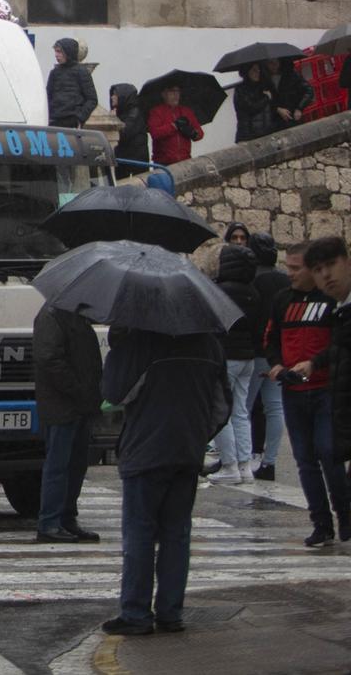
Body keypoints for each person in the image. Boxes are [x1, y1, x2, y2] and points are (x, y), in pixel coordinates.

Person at [101, 322, 231, 636]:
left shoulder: (140, 341)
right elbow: (222, 405)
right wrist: (198, 435)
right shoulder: (209, 344)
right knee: (177, 533)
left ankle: (136, 613)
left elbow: (113, 392)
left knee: (140, 534)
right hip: (187, 451)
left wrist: (119, 346)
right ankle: (171, 613)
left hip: (146, 451)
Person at [266, 243, 348, 546]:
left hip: (325, 388)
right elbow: (270, 338)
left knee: (330, 453)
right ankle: (321, 523)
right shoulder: (282, 301)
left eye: (296, 268)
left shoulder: (331, 303)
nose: (290, 274)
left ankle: (345, 514)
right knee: (305, 460)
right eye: (288, 267)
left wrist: (315, 364)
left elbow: (340, 343)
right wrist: (275, 364)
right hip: (294, 390)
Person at [32, 303, 102, 542]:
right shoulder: (51, 316)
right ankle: (49, 522)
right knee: (58, 465)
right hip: (62, 403)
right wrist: (77, 388)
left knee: (76, 465)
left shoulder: (78, 316)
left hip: (81, 404)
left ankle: (67, 518)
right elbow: (49, 358)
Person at [205, 243, 266, 485]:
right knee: (241, 411)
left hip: (225, 355)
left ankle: (229, 464)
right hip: (248, 357)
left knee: (221, 409)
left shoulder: (219, 291)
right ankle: (245, 465)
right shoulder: (254, 293)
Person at [301, 237, 351, 468]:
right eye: (318, 270)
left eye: (331, 264)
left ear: (347, 262)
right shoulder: (341, 313)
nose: (326, 274)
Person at [247, 232, 289, 482]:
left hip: (254, 352)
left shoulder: (252, 281)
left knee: (243, 408)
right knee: (275, 407)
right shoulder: (284, 281)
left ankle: (241, 459)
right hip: (278, 354)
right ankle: (269, 461)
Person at [46, 39, 98, 129]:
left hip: (72, 122)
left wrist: (80, 118)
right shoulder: (54, 73)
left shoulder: (82, 72)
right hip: (54, 120)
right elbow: (48, 96)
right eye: (56, 51)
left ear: (68, 52)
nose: (56, 55)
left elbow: (92, 99)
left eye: (59, 52)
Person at [146, 84, 203, 166]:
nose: (176, 94)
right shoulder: (156, 112)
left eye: (178, 91)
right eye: (171, 91)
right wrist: (174, 126)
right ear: (163, 94)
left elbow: (200, 134)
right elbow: (155, 133)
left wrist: (193, 133)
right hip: (164, 164)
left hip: (185, 160)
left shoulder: (186, 111)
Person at [266, 56, 314, 133]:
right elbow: (261, 101)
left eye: (276, 62)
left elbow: (309, 91)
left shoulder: (292, 75)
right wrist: (277, 109)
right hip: (273, 122)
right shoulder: (264, 80)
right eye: (270, 63)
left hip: (292, 118)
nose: (273, 65)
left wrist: (299, 108)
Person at [232, 63, 276, 142]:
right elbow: (251, 108)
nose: (258, 72)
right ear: (247, 72)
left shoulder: (262, 86)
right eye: (254, 70)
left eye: (259, 69)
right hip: (248, 136)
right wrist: (266, 98)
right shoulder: (241, 90)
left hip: (266, 133)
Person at [109, 84, 150, 165]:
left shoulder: (135, 113)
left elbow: (124, 133)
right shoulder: (122, 112)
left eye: (115, 94)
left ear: (123, 96)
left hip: (135, 161)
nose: (112, 97)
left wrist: (113, 120)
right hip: (125, 159)